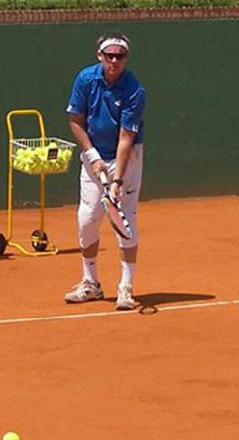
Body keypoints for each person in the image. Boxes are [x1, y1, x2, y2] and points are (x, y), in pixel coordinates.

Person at [63, 32, 146, 310]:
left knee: (128, 222)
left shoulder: (134, 90)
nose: (114, 60)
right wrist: (92, 156)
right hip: (93, 155)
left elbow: (126, 138)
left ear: (126, 59)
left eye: (119, 56)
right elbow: (75, 120)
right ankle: (91, 284)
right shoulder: (86, 79)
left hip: (127, 159)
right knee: (86, 219)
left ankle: (126, 288)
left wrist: (118, 179)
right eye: (109, 55)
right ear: (100, 56)